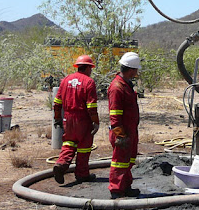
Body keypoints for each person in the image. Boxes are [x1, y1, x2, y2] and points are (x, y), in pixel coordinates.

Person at [53, 54, 100, 184]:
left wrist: (57, 118)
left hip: (67, 118)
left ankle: (61, 165)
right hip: (83, 119)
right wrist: (96, 122)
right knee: (84, 147)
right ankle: (82, 174)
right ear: (88, 68)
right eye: (91, 68)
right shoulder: (89, 82)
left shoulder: (66, 80)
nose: (91, 71)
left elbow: (57, 102)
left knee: (68, 143)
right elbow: (91, 106)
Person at [108, 51, 142, 199]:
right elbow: (114, 114)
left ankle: (126, 187)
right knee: (120, 162)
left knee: (128, 160)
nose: (137, 72)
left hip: (130, 130)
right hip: (122, 132)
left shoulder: (126, 84)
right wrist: (120, 135)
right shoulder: (117, 87)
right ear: (132, 69)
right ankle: (116, 190)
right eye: (136, 69)